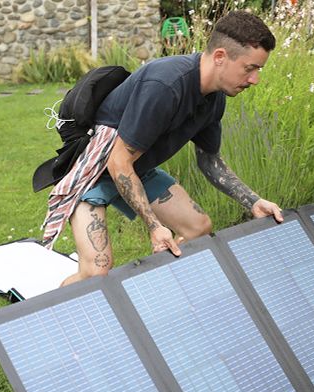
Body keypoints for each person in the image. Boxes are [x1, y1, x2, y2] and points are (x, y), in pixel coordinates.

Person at [41, 10, 284, 288]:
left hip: (135, 168)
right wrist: (154, 226)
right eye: (249, 68)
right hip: (94, 173)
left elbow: (210, 161)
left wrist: (253, 201)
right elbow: (118, 162)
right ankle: (52, 319)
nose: (254, 80)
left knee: (198, 229)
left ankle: (153, 296)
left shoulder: (214, 99)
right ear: (220, 57)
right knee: (96, 273)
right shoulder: (166, 85)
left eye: (258, 70)